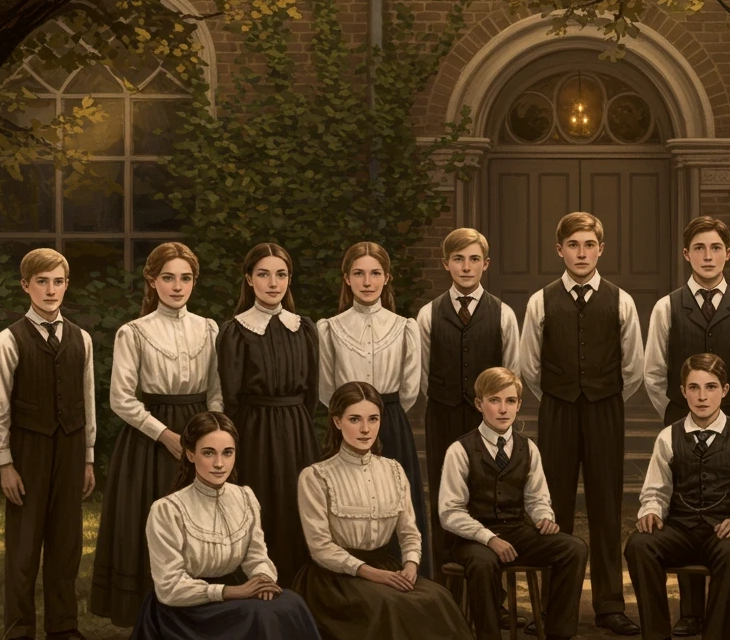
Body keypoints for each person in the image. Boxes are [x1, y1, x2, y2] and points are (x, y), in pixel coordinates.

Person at [93, 412, 336, 640]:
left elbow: (256, 554)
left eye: (227, 453)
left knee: (290, 602)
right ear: (190, 454)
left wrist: (263, 579)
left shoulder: (244, 497)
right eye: (209, 453)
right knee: (256, 615)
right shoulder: (167, 509)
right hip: (184, 612)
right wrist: (232, 592)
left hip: (232, 594)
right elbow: (169, 587)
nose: (219, 463)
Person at [294, 382, 476, 640]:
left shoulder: (393, 470)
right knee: (387, 604)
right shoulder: (315, 476)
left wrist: (411, 565)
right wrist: (372, 574)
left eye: (373, 419)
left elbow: (409, 531)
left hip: (386, 565)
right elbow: (320, 547)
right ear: (337, 422)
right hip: (335, 578)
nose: (365, 429)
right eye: (355, 419)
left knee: (437, 597)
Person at [518, 211, 645, 636]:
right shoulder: (541, 300)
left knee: (607, 507)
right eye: (573, 245)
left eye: (589, 244)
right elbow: (529, 367)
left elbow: (635, 367)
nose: (581, 252)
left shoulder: (621, 300)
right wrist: (561, 394)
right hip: (557, 408)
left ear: (601, 249)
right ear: (560, 250)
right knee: (554, 509)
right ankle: (559, 605)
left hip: (606, 407)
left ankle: (610, 604)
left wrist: (601, 396)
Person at [0, 247, 105, 640]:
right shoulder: (9, 340)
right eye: (42, 282)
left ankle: (63, 629)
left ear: (67, 285)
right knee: (24, 546)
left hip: (70, 448)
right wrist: (5, 463)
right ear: (26, 286)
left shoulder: (81, 339)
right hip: (29, 449)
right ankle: (19, 635)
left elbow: (87, 402)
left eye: (58, 282)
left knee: (67, 543)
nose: (50, 290)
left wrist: (87, 457)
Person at [91, 242, 223, 627]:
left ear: (194, 282)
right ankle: (149, 620)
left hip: (199, 430)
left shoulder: (209, 328)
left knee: (202, 523)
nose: (177, 287)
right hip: (150, 439)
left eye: (185, 278)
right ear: (151, 280)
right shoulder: (133, 332)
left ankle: (199, 616)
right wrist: (164, 435)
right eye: (168, 278)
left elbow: (215, 389)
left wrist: (210, 438)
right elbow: (121, 399)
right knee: (150, 523)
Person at [642, 216, 730, 637]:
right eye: (699, 248)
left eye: (716, 248)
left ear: (728, 254)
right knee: (682, 508)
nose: (707, 256)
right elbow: (654, 371)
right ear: (686, 254)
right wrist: (678, 409)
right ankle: (690, 612)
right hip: (681, 413)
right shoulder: (667, 306)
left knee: (721, 506)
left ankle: (726, 612)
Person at [440, 367, 600, 640]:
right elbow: (450, 512)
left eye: (510, 401)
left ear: (519, 404)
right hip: (472, 537)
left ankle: (558, 639)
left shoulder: (528, 448)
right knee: (484, 562)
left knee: (573, 548)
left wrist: (544, 519)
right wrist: (488, 538)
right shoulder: (460, 450)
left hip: (516, 530)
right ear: (478, 404)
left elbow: (537, 498)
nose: (503, 409)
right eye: (494, 400)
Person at [625, 354, 730, 640]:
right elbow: (655, 491)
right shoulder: (668, 436)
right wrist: (650, 511)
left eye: (710, 387)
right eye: (694, 387)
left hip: (722, 532)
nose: (702, 396)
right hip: (680, 529)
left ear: (725, 390)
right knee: (638, 545)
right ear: (683, 392)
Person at [318, 242, 430, 577]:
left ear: (387, 278)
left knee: (395, 506)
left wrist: (383, 417)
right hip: (345, 427)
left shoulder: (404, 327)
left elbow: (409, 389)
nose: (368, 281)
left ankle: (404, 579)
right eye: (359, 273)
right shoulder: (330, 328)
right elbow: (326, 388)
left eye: (375, 273)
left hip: (391, 422)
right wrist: (351, 420)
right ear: (347, 279)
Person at [417, 228, 520, 584]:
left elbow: (511, 372)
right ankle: (445, 593)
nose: (466, 267)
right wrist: (446, 396)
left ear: (485, 265)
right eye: (458, 259)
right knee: (443, 498)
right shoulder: (428, 315)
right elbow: (421, 372)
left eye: (474, 259)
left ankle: (494, 596)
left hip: (487, 421)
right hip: (443, 414)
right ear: (446, 264)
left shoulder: (503, 313)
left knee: (489, 496)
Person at [218, 242, 319, 588]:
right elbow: (230, 396)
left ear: (290, 280)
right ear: (249, 279)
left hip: (297, 430)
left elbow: (312, 393)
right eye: (263, 274)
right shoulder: (235, 330)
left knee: (299, 506)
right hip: (255, 429)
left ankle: (301, 588)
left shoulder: (304, 328)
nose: (272, 283)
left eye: (281, 275)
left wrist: (296, 424)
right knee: (260, 506)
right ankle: (260, 585)